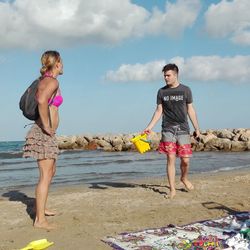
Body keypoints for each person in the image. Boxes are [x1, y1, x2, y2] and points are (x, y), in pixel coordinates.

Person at [143, 63, 200, 199]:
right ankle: (172, 190)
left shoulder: (186, 90)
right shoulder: (161, 92)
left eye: (168, 75)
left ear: (176, 75)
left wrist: (197, 128)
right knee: (170, 158)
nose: (166, 78)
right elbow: (158, 111)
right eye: (164, 76)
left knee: (185, 160)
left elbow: (190, 109)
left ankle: (184, 179)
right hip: (167, 129)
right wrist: (149, 127)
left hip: (183, 129)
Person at [23, 50, 63, 229]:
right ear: (56, 63)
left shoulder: (46, 80)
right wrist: (47, 126)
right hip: (43, 134)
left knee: (50, 171)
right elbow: (41, 100)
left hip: (46, 134)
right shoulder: (52, 81)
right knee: (45, 175)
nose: (63, 65)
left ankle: (42, 207)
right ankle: (39, 220)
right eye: (61, 62)